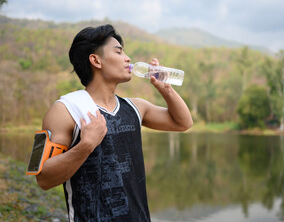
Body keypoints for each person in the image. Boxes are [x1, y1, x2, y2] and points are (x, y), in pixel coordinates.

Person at [35, 24, 193, 221]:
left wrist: (165, 88)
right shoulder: (64, 110)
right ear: (95, 60)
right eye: (118, 52)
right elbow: (43, 178)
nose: (128, 58)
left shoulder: (136, 107)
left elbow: (183, 123)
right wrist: (86, 146)